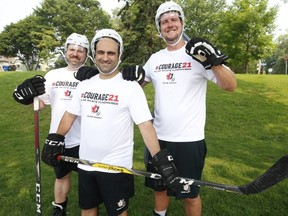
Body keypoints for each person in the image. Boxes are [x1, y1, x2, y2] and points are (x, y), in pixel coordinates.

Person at [41, 28, 178, 216]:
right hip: (86, 163)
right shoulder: (84, 84)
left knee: (118, 212)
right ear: (94, 54)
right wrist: (55, 138)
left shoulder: (130, 87)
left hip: (116, 167)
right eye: (100, 52)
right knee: (88, 209)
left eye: (111, 53)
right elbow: (70, 115)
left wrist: (160, 160)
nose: (105, 58)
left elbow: (145, 126)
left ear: (119, 55)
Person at [123, 1, 237, 216]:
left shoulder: (197, 54)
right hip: (157, 140)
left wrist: (214, 61)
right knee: (160, 188)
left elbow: (230, 85)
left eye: (174, 19)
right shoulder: (155, 59)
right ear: (160, 28)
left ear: (182, 23)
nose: (169, 24)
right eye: (164, 21)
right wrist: (130, 77)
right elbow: (135, 87)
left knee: (190, 195)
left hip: (189, 140)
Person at [12, 32, 90, 216]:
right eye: (72, 49)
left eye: (80, 50)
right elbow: (41, 103)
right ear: (66, 51)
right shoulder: (53, 75)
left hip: (86, 139)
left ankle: (89, 208)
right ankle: (59, 208)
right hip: (58, 139)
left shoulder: (91, 76)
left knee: (88, 180)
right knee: (61, 176)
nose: (75, 53)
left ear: (87, 54)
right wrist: (24, 98)